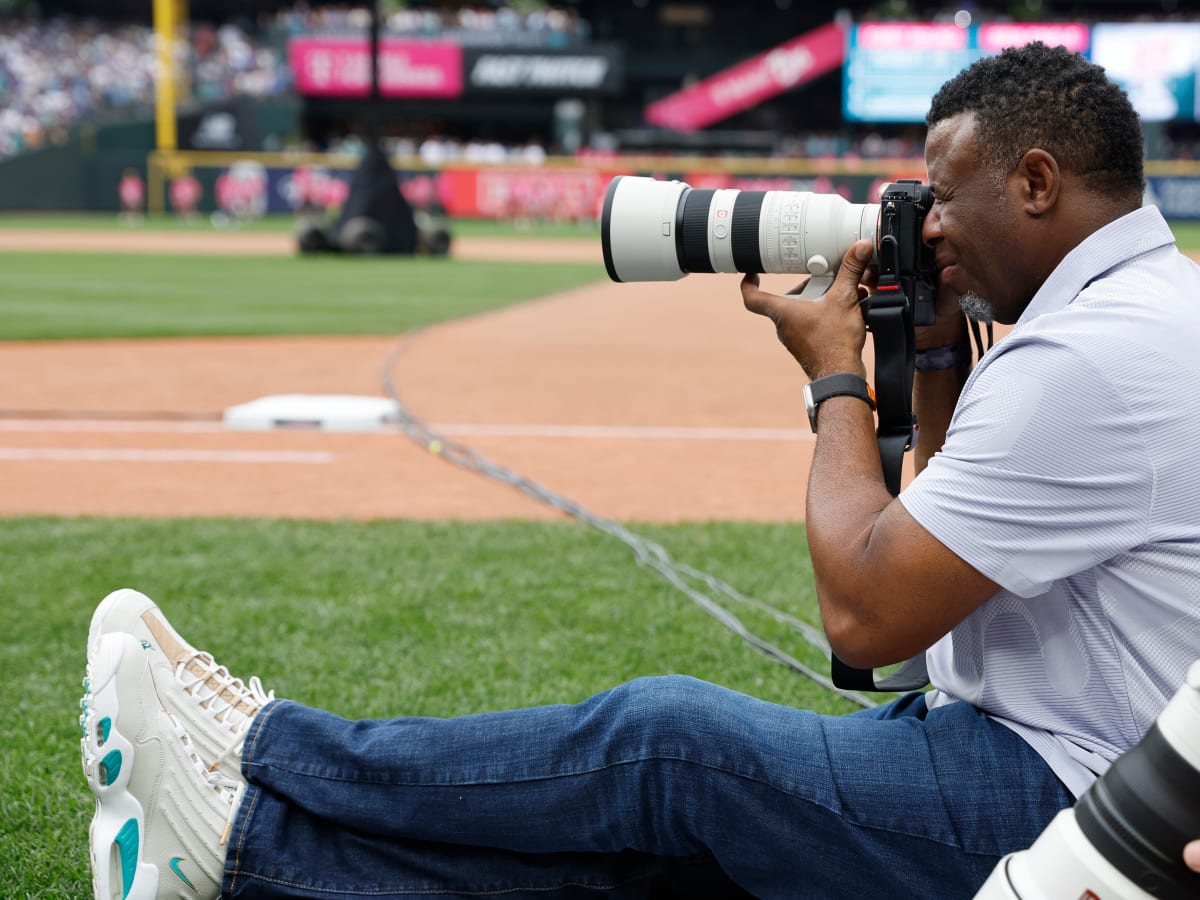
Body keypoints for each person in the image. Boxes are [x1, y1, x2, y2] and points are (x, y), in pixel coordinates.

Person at [79, 43, 1200, 899]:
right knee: (666, 854)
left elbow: (870, 614)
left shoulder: (1083, 360)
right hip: (1064, 752)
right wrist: (944, 355)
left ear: (1040, 181)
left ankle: (267, 750)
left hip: (1068, 800)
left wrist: (836, 379)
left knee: (665, 745)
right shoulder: (1137, 310)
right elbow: (957, 552)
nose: (922, 224)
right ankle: (240, 850)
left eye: (944, 196)